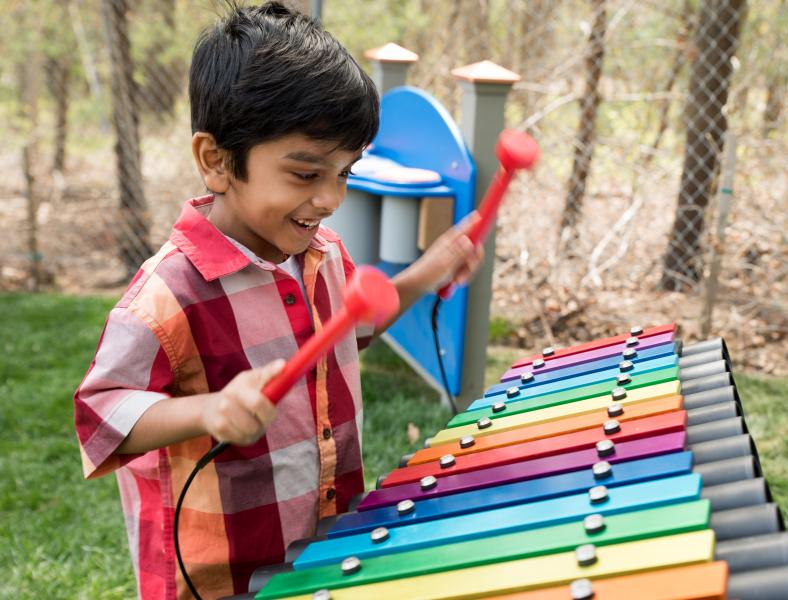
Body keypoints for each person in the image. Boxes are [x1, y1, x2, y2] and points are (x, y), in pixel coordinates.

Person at [72, 3, 482, 598]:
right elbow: (100, 414)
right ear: (216, 161)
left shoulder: (325, 254)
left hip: (325, 547)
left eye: (344, 173)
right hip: (219, 577)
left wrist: (425, 273)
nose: (330, 198)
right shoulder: (171, 293)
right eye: (305, 173)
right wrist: (206, 411)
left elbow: (353, 327)